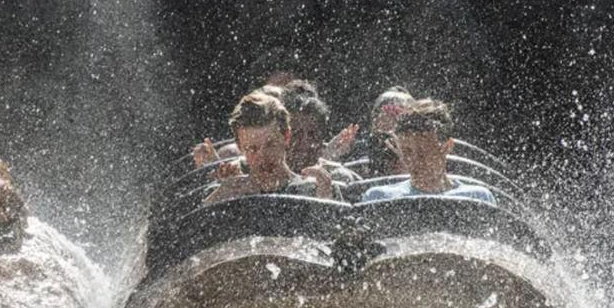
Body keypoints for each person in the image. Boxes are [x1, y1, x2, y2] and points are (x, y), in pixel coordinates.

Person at [203, 93, 341, 205]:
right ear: (239, 147)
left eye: (270, 145)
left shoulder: (316, 189)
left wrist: (325, 202)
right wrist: (217, 200)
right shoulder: (226, 195)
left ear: (286, 137)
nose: (263, 156)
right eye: (252, 148)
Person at [361, 99, 496, 205]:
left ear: (447, 146)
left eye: (423, 152)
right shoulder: (378, 198)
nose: (414, 161)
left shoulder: (478, 198)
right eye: (407, 152)